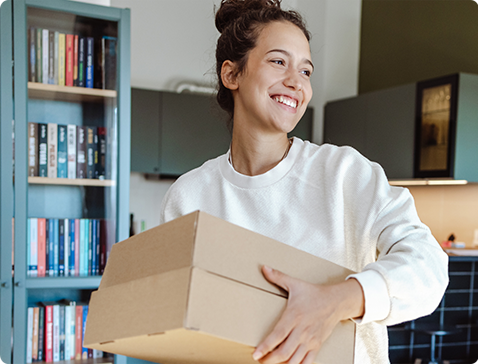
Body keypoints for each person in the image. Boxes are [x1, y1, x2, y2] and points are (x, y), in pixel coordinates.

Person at [159, 0, 449, 363]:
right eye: (279, 62)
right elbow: (178, 323)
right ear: (232, 75)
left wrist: (337, 301)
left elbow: (428, 267)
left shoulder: (344, 173)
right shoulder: (188, 197)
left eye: (307, 71)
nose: (297, 82)